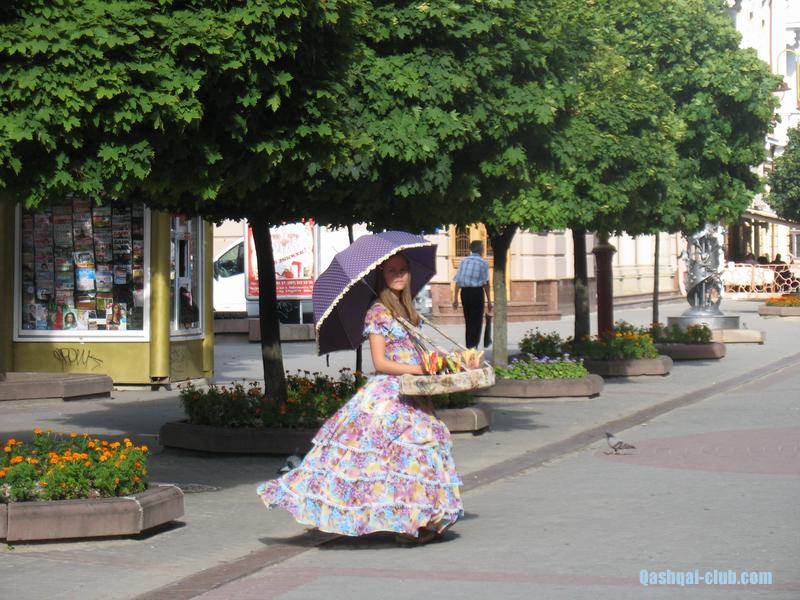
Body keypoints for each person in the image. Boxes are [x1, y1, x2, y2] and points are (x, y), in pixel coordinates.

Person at [257, 253, 463, 543]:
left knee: (417, 457)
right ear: (382, 276)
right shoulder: (378, 312)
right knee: (390, 458)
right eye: (392, 270)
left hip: (414, 393)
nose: (400, 275)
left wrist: (437, 361)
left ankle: (420, 520)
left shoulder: (407, 312)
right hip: (392, 394)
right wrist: (418, 368)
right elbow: (380, 362)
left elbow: (411, 351)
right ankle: (407, 522)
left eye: (403, 270)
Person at [452, 240, 492, 348]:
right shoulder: (483, 263)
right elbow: (486, 283)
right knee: (477, 321)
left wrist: (455, 298)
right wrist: (489, 301)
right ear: (480, 250)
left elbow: (458, 281)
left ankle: (469, 346)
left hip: (464, 293)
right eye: (483, 248)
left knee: (468, 320)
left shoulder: (463, 261)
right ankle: (473, 347)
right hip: (476, 293)